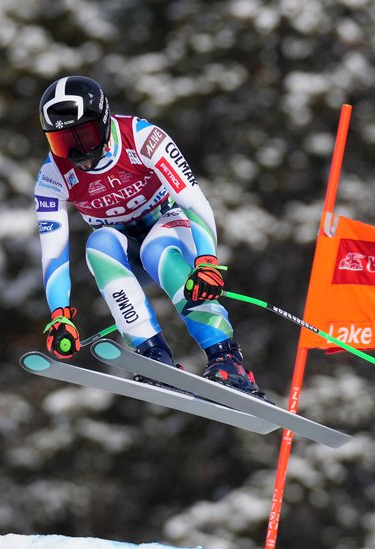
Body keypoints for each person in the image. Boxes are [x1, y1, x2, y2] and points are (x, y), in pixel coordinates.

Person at [34, 75, 266, 399]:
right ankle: (152, 356)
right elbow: (54, 251)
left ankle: (227, 358)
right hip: (123, 248)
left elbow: (193, 201)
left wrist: (207, 261)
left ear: (103, 121)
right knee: (98, 245)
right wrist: (60, 314)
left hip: (168, 226)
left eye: (84, 136)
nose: (78, 151)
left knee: (157, 251)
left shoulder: (142, 138)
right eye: (62, 142)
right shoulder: (53, 175)